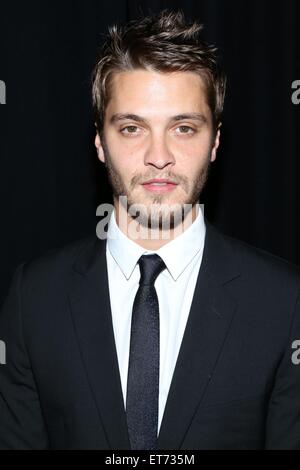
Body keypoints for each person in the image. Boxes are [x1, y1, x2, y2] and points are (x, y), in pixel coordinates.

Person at [0, 10, 300, 451]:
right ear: (100, 142)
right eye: (131, 128)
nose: (158, 155)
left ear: (215, 141)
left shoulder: (285, 301)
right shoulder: (34, 299)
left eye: (183, 127)